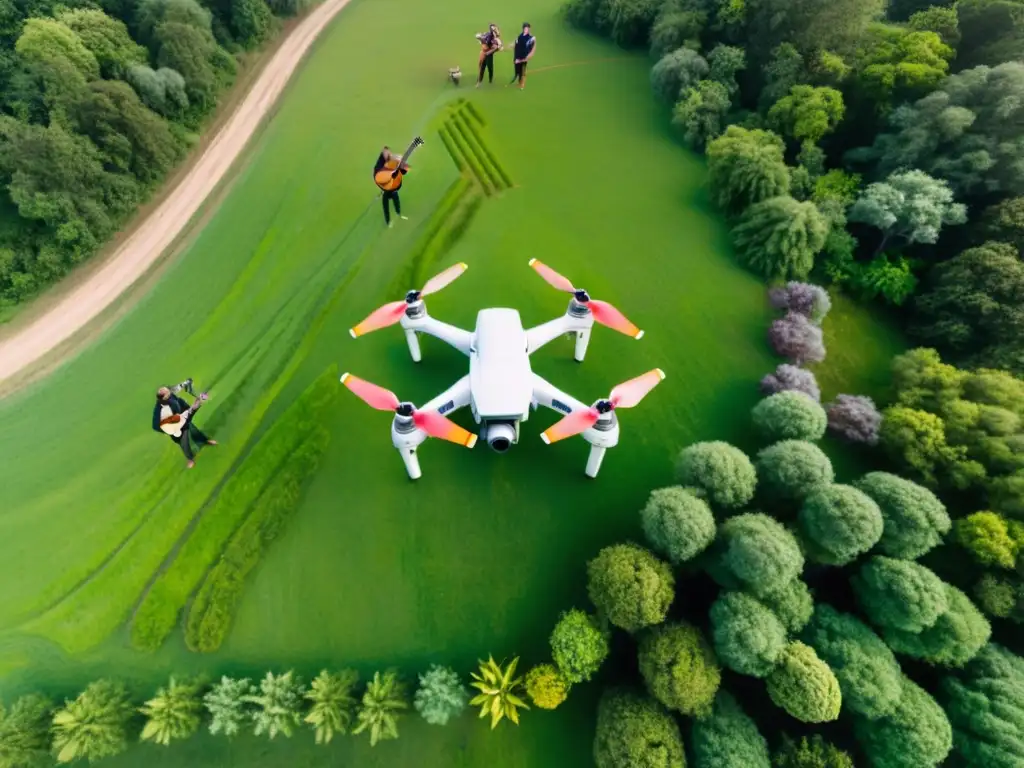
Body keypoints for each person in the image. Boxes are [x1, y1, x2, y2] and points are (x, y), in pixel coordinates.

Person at [153, 384, 216, 469]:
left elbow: (179, 401)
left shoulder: (170, 397)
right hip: (175, 427)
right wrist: (170, 428)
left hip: (182, 417)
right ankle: (190, 459)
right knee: (184, 443)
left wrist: (187, 407)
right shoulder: (159, 409)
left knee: (194, 431)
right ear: (162, 398)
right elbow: (156, 425)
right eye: (167, 394)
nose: (170, 394)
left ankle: (204, 441)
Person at [374, 146, 409, 228]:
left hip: (392, 187)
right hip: (386, 189)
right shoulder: (380, 164)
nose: (387, 154)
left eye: (388, 152)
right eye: (385, 153)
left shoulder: (391, 158)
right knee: (386, 206)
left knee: (396, 201)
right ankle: (388, 222)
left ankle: (399, 214)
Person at [510, 23, 536, 89]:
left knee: (523, 71)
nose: (527, 30)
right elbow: (516, 45)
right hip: (517, 57)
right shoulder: (520, 36)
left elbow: (531, 48)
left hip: (524, 57)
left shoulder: (531, 38)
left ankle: (522, 85)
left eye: (528, 28)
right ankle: (519, 82)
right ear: (523, 29)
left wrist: (528, 56)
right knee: (518, 71)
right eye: (525, 28)